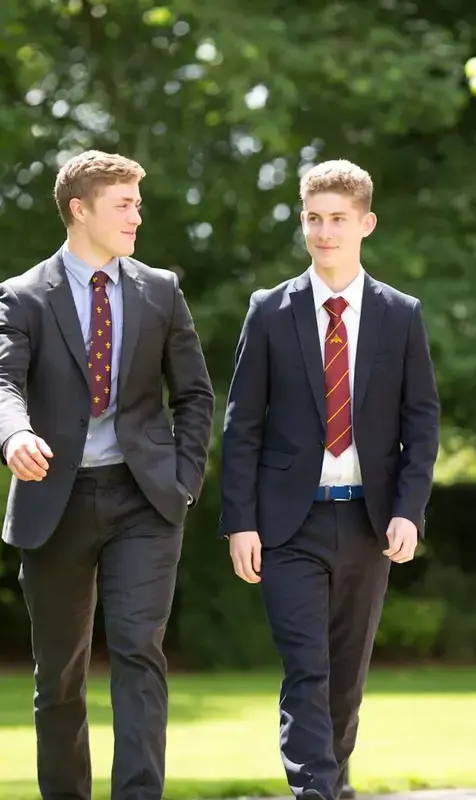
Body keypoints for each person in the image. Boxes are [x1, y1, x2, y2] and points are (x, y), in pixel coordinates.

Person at [220, 159, 440, 800]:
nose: (323, 232)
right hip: (289, 523)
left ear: (366, 223)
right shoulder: (269, 310)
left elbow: (420, 423)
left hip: (370, 523)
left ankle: (332, 785)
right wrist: (240, 521)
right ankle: (315, 793)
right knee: (306, 671)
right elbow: (243, 426)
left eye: (337, 219)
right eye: (313, 219)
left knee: (345, 678)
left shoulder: (400, 315)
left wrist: (409, 510)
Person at [0, 150, 215, 800]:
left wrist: (182, 481)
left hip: (143, 500)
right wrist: (14, 434)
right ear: (80, 209)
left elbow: (196, 396)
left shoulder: (159, 291)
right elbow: (3, 380)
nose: (137, 216)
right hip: (54, 501)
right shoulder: (24, 295)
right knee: (59, 674)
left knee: (136, 653)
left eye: (137, 203)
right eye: (124, 204)